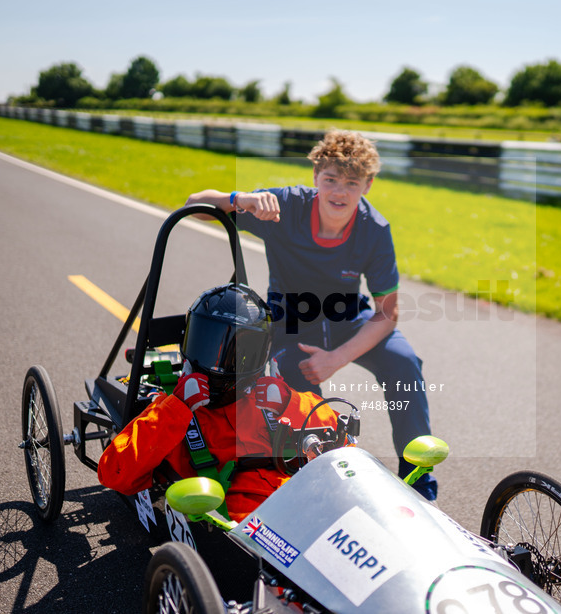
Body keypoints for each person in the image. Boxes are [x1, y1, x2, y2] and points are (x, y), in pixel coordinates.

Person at [184, 129, 437, 500]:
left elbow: (388, 312)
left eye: (351, 182)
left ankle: (419, 484)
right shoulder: (285, 207)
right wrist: (240, 198)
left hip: (346, 318)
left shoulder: (375, 230)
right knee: (307, 402)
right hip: (291, 321)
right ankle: (324, 489)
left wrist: (336, 359)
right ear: (315, 177)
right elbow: (195, 203)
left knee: (405, 363)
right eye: (330, 180)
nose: (339, 191)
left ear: (368, 185)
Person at [98, 283, 344, 522]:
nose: (218, 362)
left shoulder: (270, 397)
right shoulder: (170, 411)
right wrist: (178, 408)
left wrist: (289, 403)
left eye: (235, 353)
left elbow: (341, 440)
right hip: (251, 527)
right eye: (207, 344)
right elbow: (114, 473)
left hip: (305, 502)